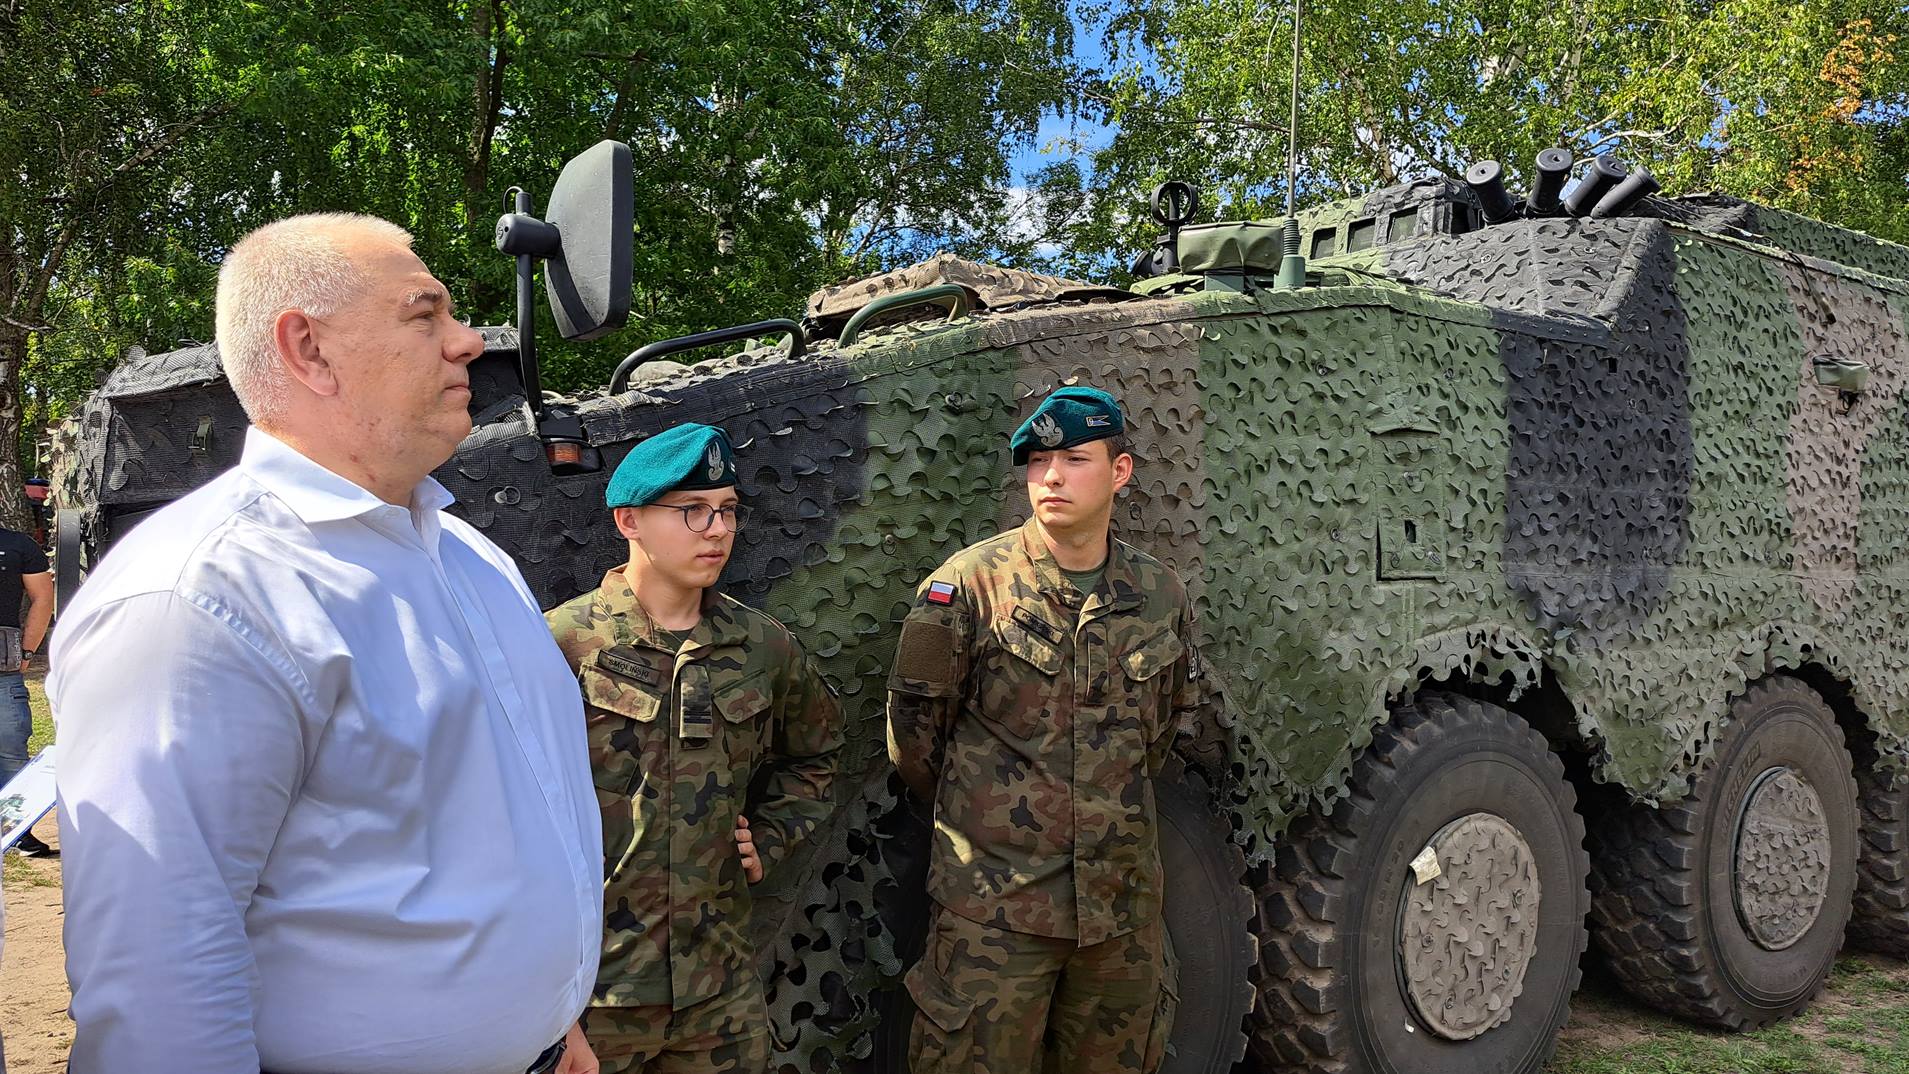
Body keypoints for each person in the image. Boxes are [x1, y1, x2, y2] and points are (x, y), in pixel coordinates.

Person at [50, 213, 602, 1074]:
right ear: (308, 350)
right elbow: (159, 981)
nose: (468, 341)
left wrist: (549, 1011)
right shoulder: (201, 595)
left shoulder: (465, 552)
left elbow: (492, 817)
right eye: (426, 315)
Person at [886, 386, 1198, 1074]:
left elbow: (1161, 731)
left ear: (1120, 471)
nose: (1050, 476)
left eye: (1073, 459)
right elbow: (915, 741)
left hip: (1120, 914)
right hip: (995, 914)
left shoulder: (1159, 594)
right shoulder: (965, 588)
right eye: (1035, 461)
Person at [547, 423, 841, 1074]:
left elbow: (815, 753)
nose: (717, 529)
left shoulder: (761, 646)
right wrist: (548, 1012)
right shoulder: (563, 644)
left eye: (728, 510)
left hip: (719, 994)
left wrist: (769, 836)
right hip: (596, 998)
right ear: (629, 520)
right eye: (691, 511)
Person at [0, 518, 52, 857]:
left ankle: (17, 830)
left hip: (4, 670)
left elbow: (43, 598)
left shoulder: (19, 545)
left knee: (11, 752)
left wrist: (27, 651)